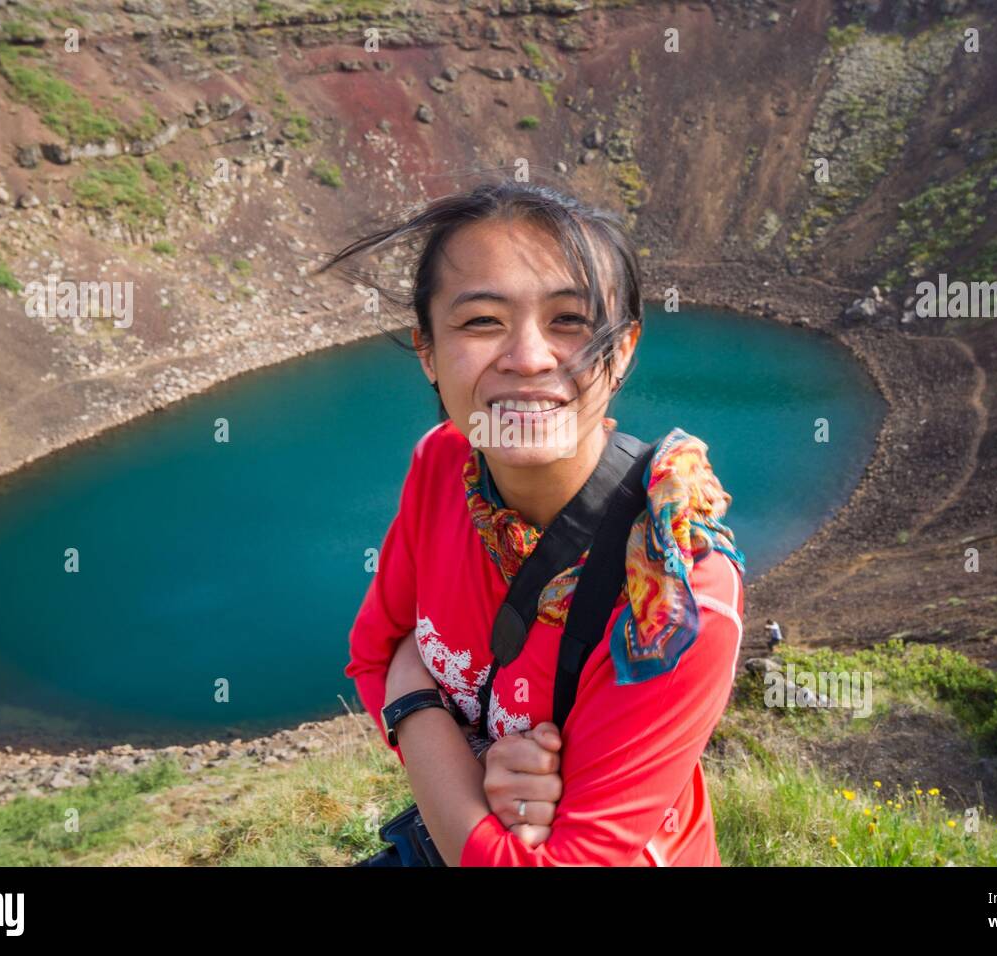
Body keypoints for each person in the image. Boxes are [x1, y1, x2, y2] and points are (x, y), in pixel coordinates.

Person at [319, 180, 746, 866]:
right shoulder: (444, 464)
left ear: (626, 349)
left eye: (571, 322)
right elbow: (373, 653)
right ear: (426, 350)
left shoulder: (674, 593)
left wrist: (412, 699)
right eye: (481, 322)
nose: (529, 357)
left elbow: (394, 662)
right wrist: (476, 769)